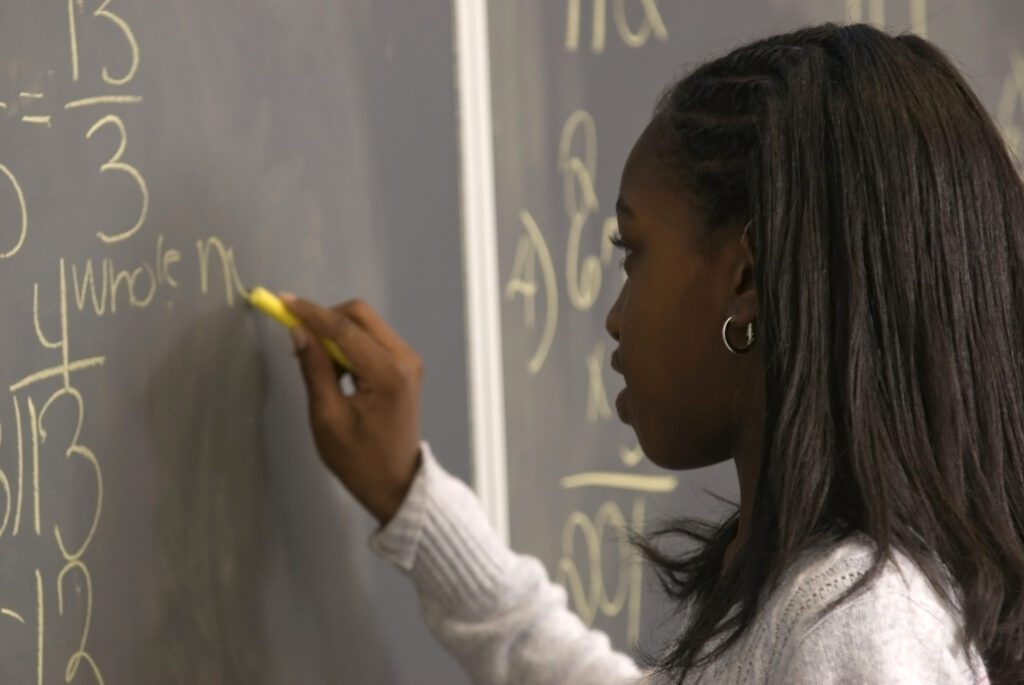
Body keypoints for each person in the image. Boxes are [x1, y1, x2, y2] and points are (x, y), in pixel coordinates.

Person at [279, 22, 1024, 684]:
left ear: (748, 279)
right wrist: (415, 500)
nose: (611, 315)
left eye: (631, 253)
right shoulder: (819, 606)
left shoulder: (854, 622)